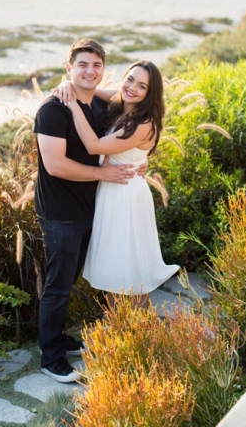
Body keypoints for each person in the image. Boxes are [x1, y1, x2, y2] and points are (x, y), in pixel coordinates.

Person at [34, 38, 142, 383]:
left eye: (96, 65)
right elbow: (55, 165)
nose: (89, 71)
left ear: (103, 70)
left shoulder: (97, 104)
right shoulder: (52, 109)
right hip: (60, 211)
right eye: (82, 64)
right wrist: (103, 173)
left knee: (70, 276)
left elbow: (129, 95)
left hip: (91, 207)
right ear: (69, 68)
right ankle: (50, 357)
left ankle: (58, 338)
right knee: (59, 284)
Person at [53, 59, 179, 309]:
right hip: (111, 192)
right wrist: (68, 83)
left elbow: (94, 146)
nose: (132, 87)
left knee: (130, 272)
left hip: (126, 197)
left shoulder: (143, 123)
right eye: (130, 79)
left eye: (141, 86)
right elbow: (91, 89)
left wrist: (73, 106)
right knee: (113, 270)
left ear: (149, 94)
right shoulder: (124, 101)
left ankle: (141, 336)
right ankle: (119, 334)